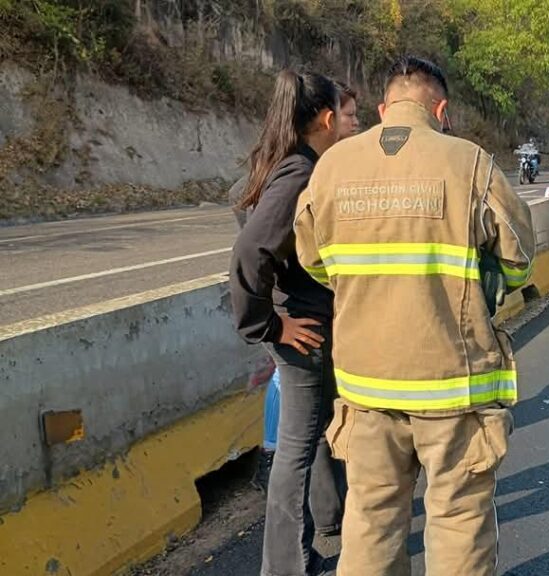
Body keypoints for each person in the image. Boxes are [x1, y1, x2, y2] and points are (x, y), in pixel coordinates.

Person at [294, 55, 535, 576]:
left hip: (364, 384)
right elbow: (519, 256)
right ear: (440, 109)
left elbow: (313, 262)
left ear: (383, 108)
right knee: (457, 520)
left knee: (371, 521)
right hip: (451, 382)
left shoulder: (331, 166)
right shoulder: (468, 162)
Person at [229, 68, 358, 576]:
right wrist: (269, 325)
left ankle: (331, 518)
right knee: (298, 448)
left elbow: (243, 202)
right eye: (343, 117)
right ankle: (286, 567)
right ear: (326, 118)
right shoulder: (303, 171)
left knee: (322, 424)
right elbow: (250, 249)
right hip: (301, 327)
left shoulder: (275, 162)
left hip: (299, 318)